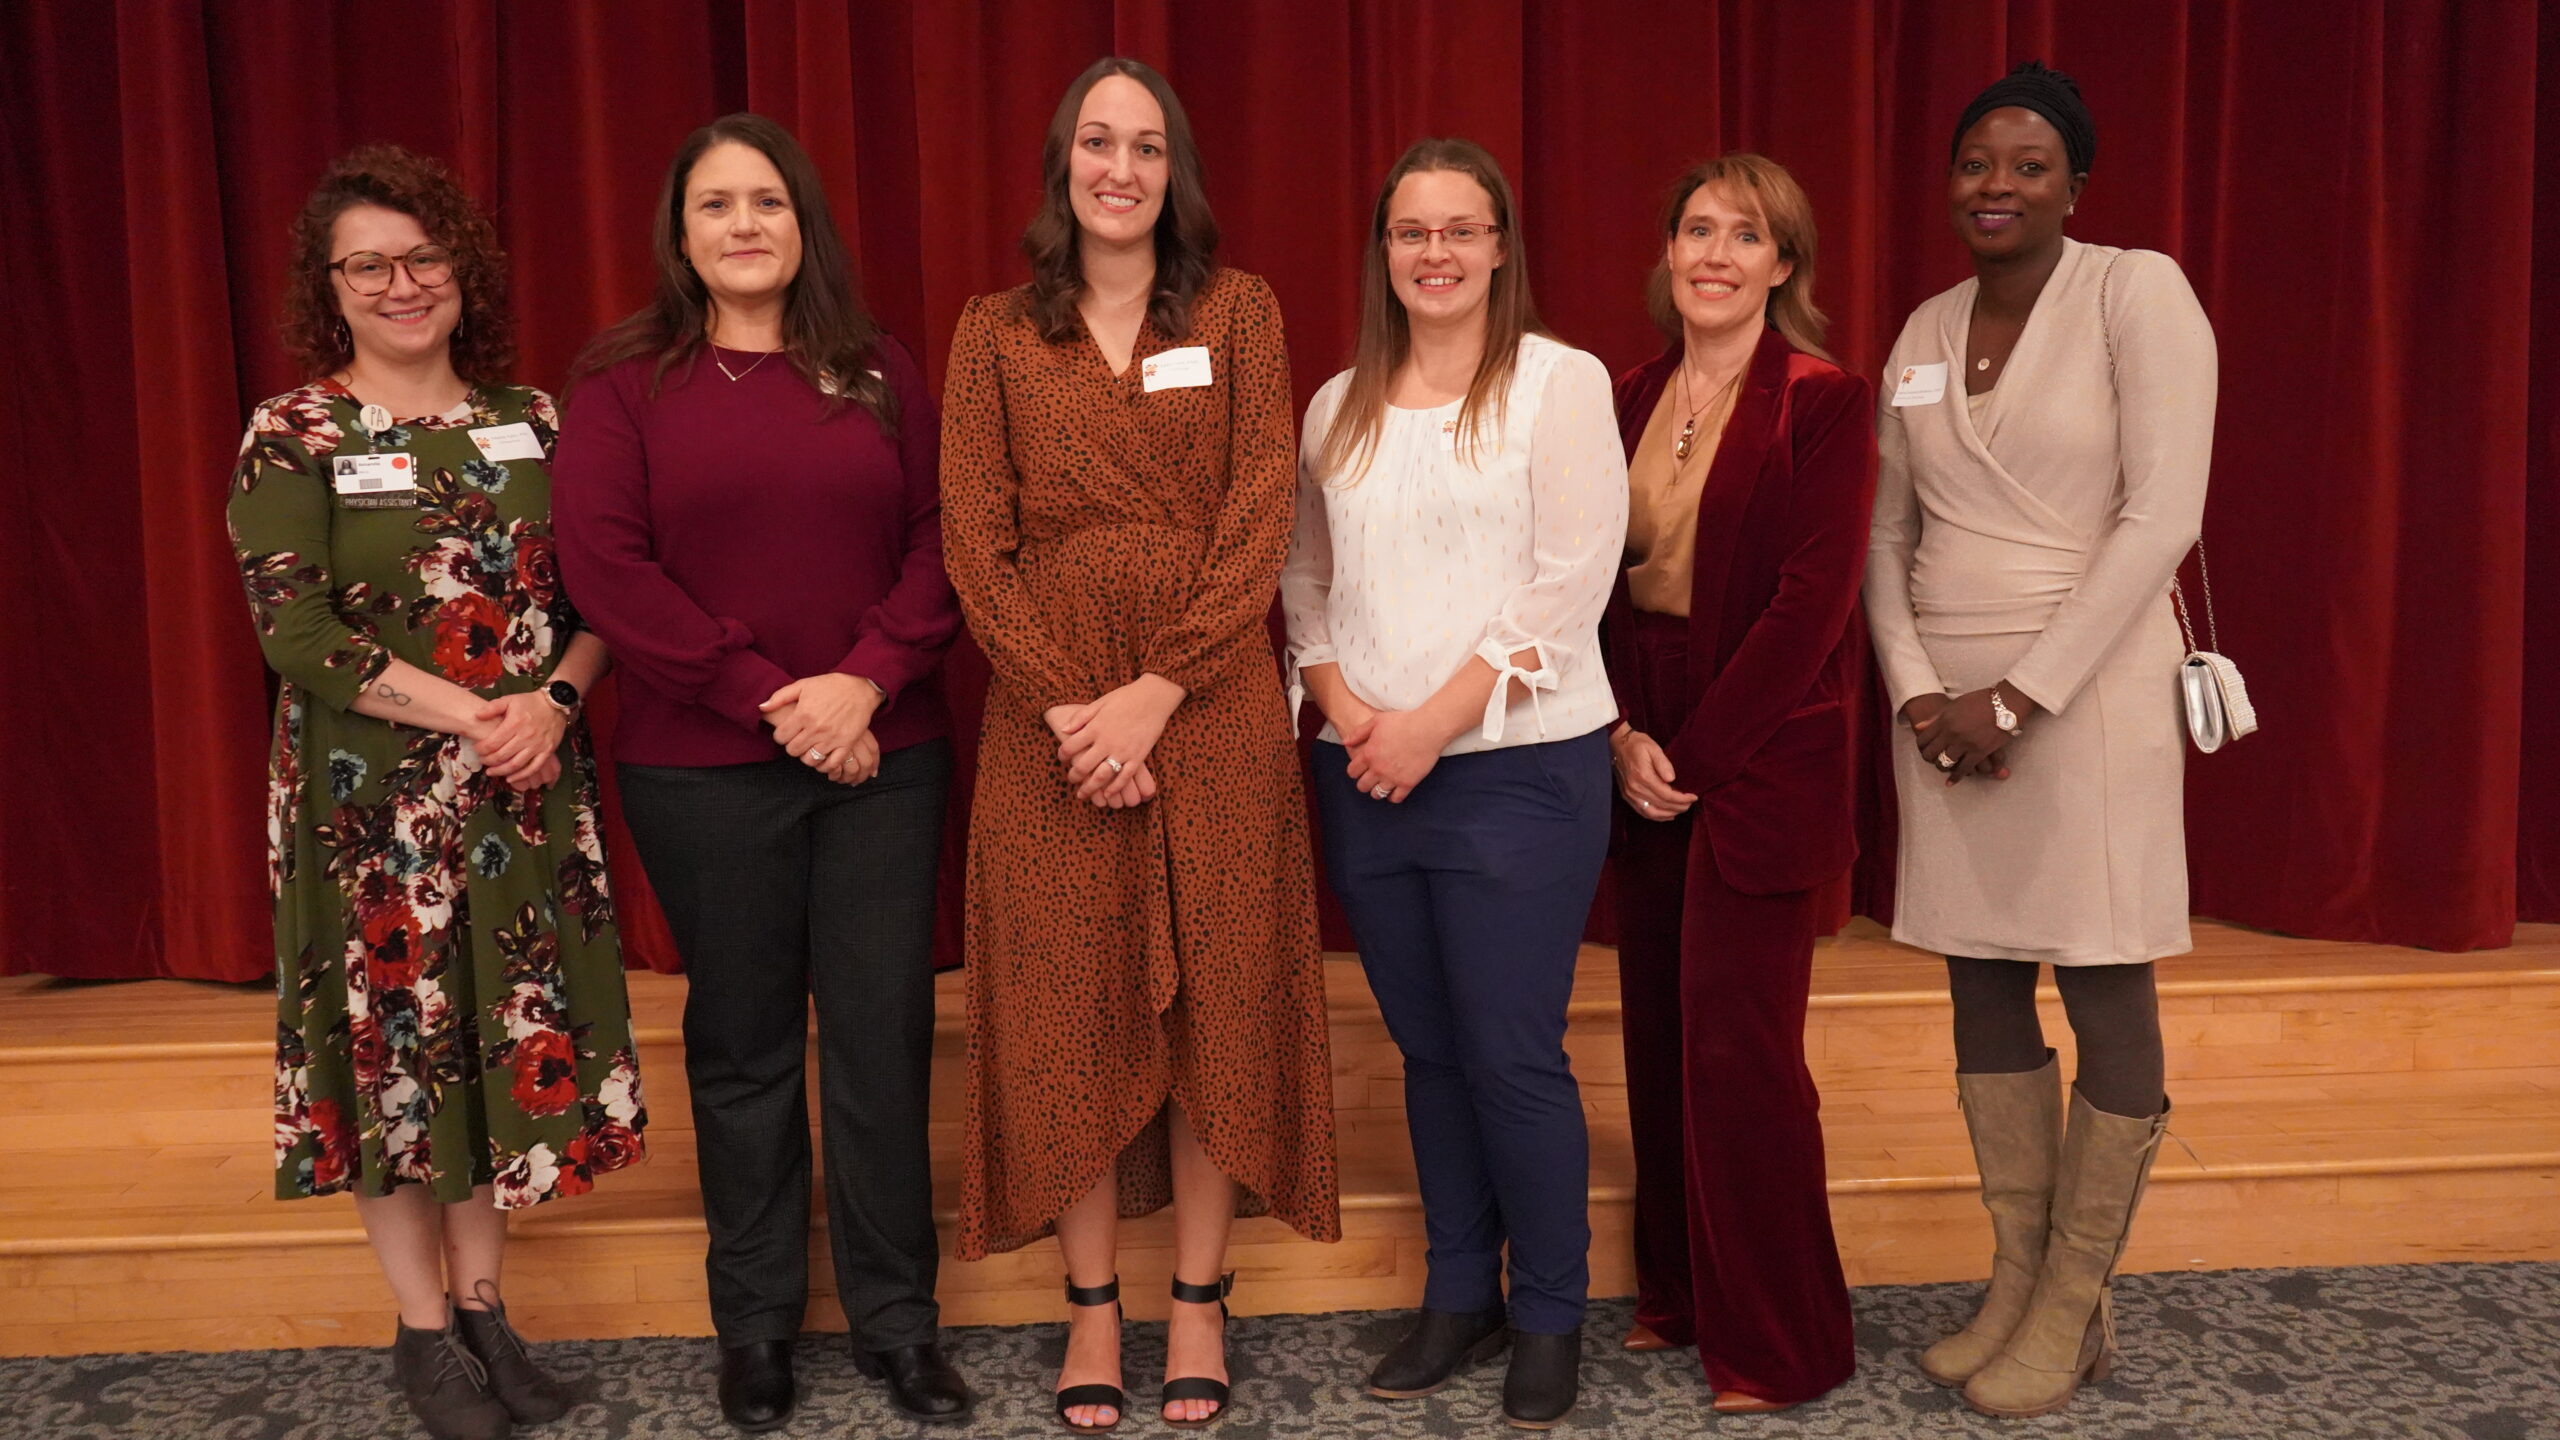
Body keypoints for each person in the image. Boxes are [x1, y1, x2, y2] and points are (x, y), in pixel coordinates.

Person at [938, 57, 1340, 1433]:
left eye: (1148, 148)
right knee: (1071, 1005)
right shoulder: (994, 332)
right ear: (1063, 164)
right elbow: (972, 540)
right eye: (1098, 144)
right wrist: (1068, 705)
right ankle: (1096, 1312)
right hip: (1045, 715)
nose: (1121, 169)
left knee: (1219, 999)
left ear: (1177, 174)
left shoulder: (1241, 312)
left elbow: (1262, 507)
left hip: (1212, 702)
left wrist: (1161, 689)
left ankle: (1199, 1306)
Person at [552, 114, 970, 1427]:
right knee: (738, 1047)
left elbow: (941, 536)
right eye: (717, 205)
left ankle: (901, 1324)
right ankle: (757, 1326)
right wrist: (763, 697)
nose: (743, 225)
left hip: (883, 758)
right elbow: (607, 571)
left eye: (768, 203)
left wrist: (865, 680)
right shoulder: (624, 391)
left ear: (804, 228)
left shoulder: (878, 368)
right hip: (700, 769)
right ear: (681, 234)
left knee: (880, 1039)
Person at [228, 145, 645, 1440]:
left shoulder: (536, 420)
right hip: (371, 821)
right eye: (370, 265)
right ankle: (422, 1340)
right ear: (332, 287)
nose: (401, 284)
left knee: (485, 1050)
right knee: (394, 1059)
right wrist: (478, 712)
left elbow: (603, 600)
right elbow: (294, 634)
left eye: (423, 257)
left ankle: (483, 1315)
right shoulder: (294, 432)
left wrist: (555, 703)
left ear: (463, 272)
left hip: (520, 794)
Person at [1864, 61, 2215, 1420]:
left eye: (2025, 165)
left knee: (2107, 979)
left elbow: (2162, 515)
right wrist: (1917, 694)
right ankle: (2017, 1275)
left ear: (2076, 185)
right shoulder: (1921, 329)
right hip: (1941, 707)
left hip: (2090, 689)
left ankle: (2073, 1303)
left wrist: (2020, 697)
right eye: (1973, 164)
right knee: (1982, 983)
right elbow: (1886, 537)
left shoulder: (2140, 291)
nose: (1994, 187)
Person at [1281, 136, 1627, 1432]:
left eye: (1459, 229)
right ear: (1384, 252)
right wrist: (1347, 709)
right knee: (1428, 1053)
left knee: (1508, 1054)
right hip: (1367, 770)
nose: (1435, 252)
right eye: (1411, 231)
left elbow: (1569, 577)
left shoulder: (1559, 383)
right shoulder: (1337, 404)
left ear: (1497, 248)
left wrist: (1427, 724)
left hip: (1515, 771)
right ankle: (1455, 1294)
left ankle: (1547, 1311)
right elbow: (1303, 581)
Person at [1599, 153, 1875, 1414]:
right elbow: (1583, 586)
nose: (1714, 252)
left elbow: (1811, 606)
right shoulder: (1624, 393)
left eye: (1744, 235)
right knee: (1658, 1034)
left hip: (1756, 748)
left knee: (1742, 1050)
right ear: (1667, 253)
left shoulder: (1822, 400)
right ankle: (1681, 1295)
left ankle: (1784, 1343)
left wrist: (1696, 757)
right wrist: (1616, 735)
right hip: (1636, 732)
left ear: (1783, 266)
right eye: (1695, 227)